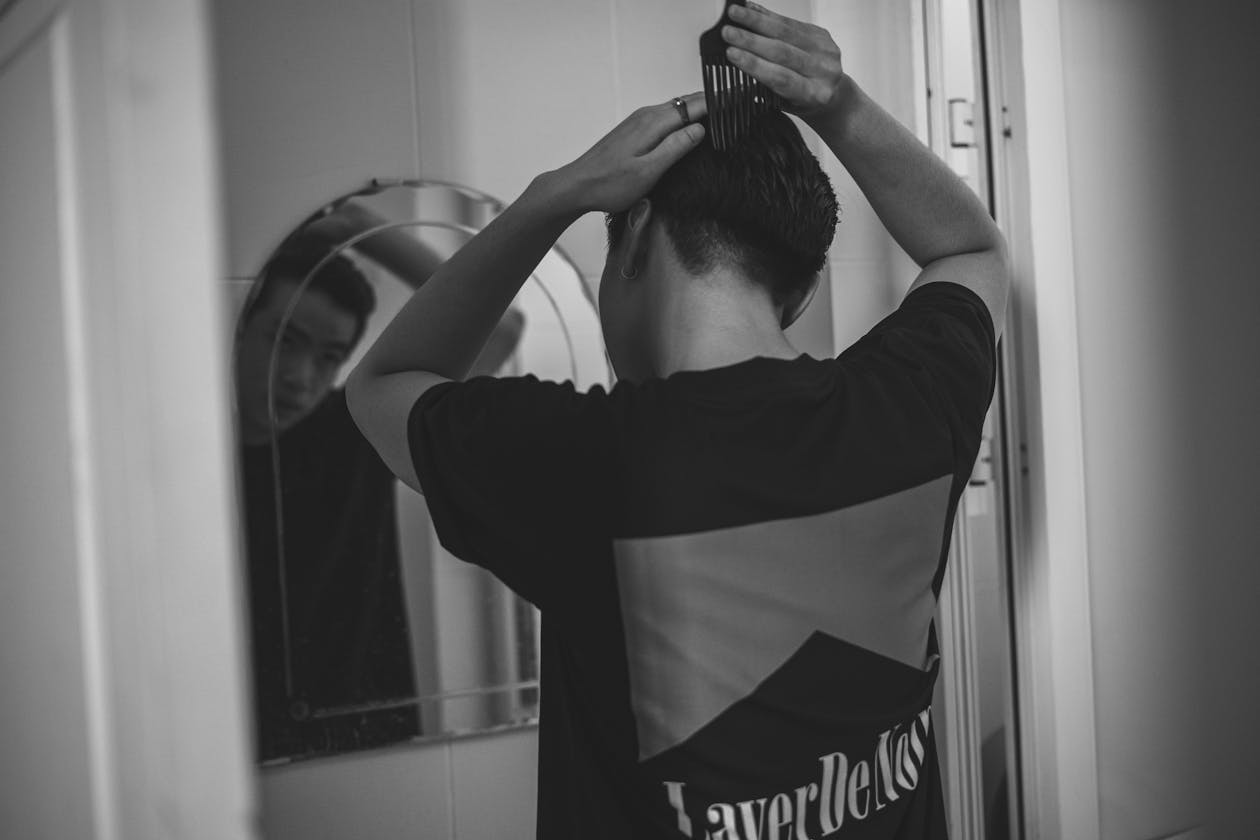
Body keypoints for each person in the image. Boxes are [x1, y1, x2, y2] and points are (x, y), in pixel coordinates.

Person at [346, 4, 1008, 837]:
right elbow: (972, 250)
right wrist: (838, 104)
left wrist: (554, 199)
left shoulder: (577, 459)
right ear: (802, 292)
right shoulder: (909, 403)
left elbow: (382, 385)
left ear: (634, 242)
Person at [234, 223, 525, 760]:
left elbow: (501, 328)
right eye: (284, 340)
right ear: (239, 329)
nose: (299, 376)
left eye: (328, 356)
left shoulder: (354, 425)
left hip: (372, 751)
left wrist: (359, 228)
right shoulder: (188, 469)